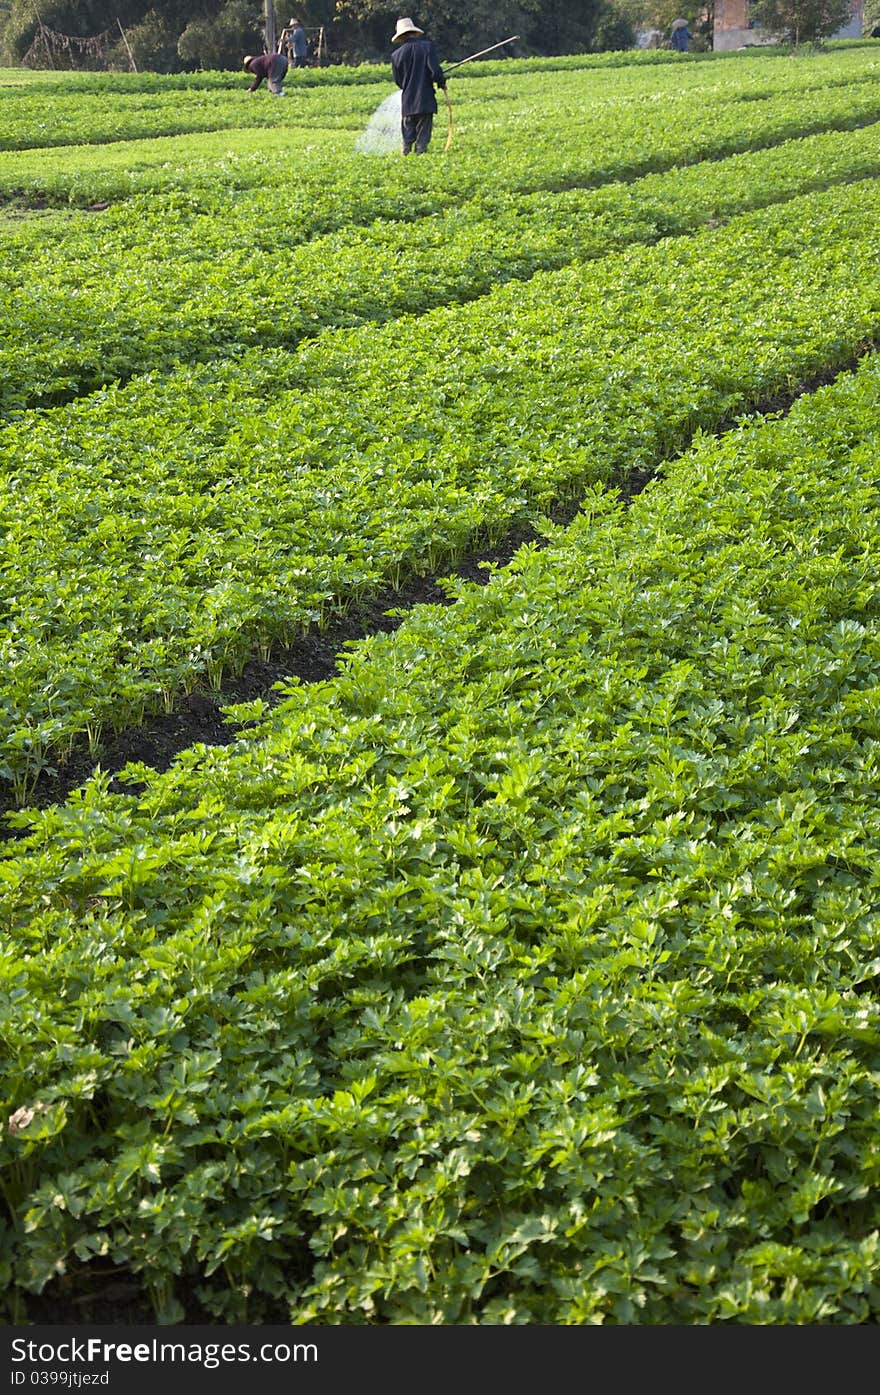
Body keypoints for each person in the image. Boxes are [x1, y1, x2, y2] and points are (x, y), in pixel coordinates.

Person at [390, 17, 446, 155]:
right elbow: (435, 72)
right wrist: (441, 83)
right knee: (422, 140)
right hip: (425, 100)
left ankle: (405, 157)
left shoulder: (396, 55)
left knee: (407, 139)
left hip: (408, 102)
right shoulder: (427, 47)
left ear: (401, 36)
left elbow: (399, 81)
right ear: (414, 32)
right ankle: (420, 157)